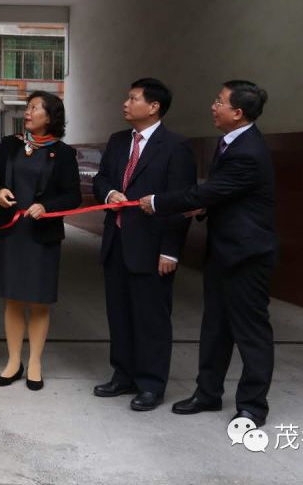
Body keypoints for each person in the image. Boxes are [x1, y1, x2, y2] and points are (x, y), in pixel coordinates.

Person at [140, 80, 277, 427]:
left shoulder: (248, 151)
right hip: (223, 251)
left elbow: (211, 190)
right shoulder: (230, 142)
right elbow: (224, 196)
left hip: (248, 256)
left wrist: (158, 202)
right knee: (215, 327)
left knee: (250, 333)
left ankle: (253, 406)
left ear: (238, 112)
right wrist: (199, 210)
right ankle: (208, 393)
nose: (213, 106)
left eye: (219, 102)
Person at [91, 78, 196, 411]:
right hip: (117, 241)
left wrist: (170, 250)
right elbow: (101, 178)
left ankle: (151, 383)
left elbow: (181, 202)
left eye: (133, 98)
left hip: (152, 249)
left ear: (153, 107)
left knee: (151, 318)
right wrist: (109, 193)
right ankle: (123, 375)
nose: (125, 103)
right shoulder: (118, 140)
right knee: (119, 314)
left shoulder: (176, 147)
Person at [0, 91, 82, 391]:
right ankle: (14, 361)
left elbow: (73, 196)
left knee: (38, 300)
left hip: (42, 235)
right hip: (11, 231)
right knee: (12, 298)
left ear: (50, 117)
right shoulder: (10, 145)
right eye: (28, 107)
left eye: (35, 108)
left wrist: (48, 207)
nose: (28, 112)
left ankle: (35, 361)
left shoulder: (64, 154)